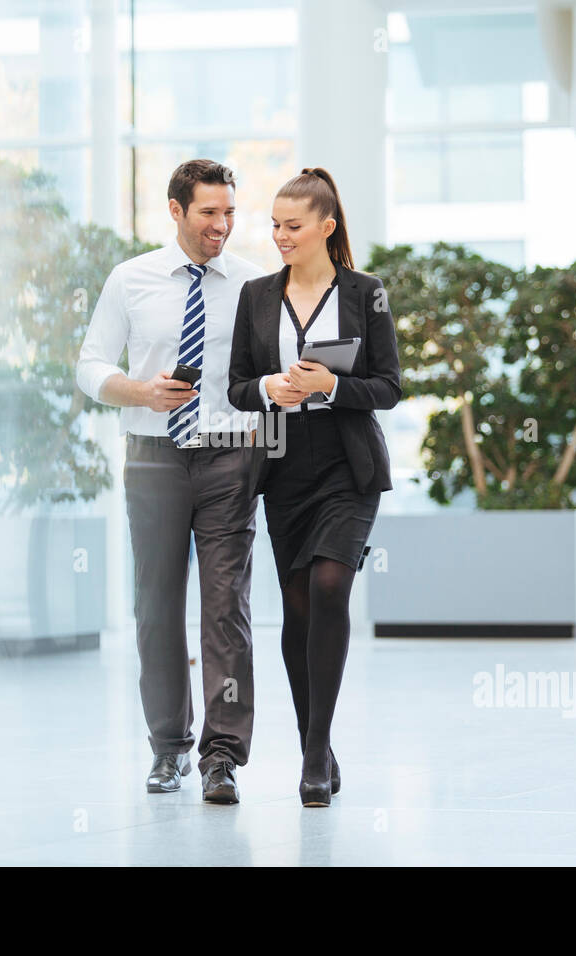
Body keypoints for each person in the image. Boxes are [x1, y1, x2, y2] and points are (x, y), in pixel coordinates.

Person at [76, 160, 265, 803]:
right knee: (157, 608)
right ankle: (168, 749)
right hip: (153, 455)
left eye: (230, 212)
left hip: (230, 453)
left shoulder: (253, 283)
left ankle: (222, 757)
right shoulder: (132, 280)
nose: (222, 225)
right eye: (209, 212)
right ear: (177, 210)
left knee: (225, 608)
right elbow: (89, 366)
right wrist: (139, 390)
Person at [226, 167, 401, 807]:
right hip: (283, 465)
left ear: (326, 227)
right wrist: (272, 387)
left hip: (346, 463)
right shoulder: (257, 295)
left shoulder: (366, 292)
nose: (279, 236)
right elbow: (237, 385)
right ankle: (316, 744)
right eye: (273, 225)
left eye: (292, 226)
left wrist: (331, 387)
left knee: (331, 585)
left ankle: (312, 755)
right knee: (297, 606)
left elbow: (389, 385)